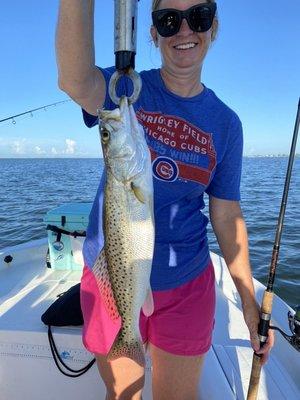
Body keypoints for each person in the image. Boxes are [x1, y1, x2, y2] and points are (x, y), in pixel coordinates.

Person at [56, 1, 274, 399]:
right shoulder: (126, 89)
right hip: (114, 274)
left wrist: (246, 297)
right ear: (153, 33)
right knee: (123, 394)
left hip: (186, 282)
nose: (185, 30)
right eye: (169, 20)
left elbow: (226, 215)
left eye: (199, 17)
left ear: (214, 28)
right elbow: (74, 80)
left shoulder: (226, 123)